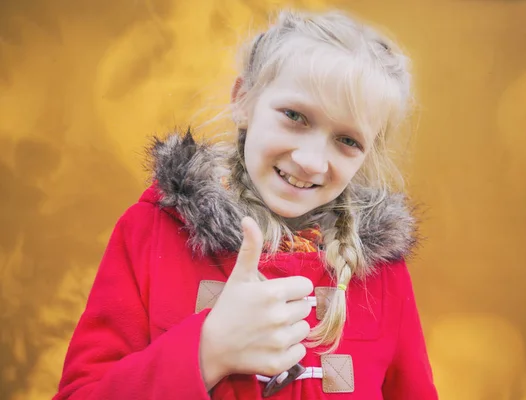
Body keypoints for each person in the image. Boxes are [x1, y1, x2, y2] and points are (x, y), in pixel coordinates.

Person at [53, 9, 438, 399]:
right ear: (243, 101)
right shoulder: (150, 232)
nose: (311, 160)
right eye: (295, 116)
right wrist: (207, 353)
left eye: (348, 140)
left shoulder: (381, 273)